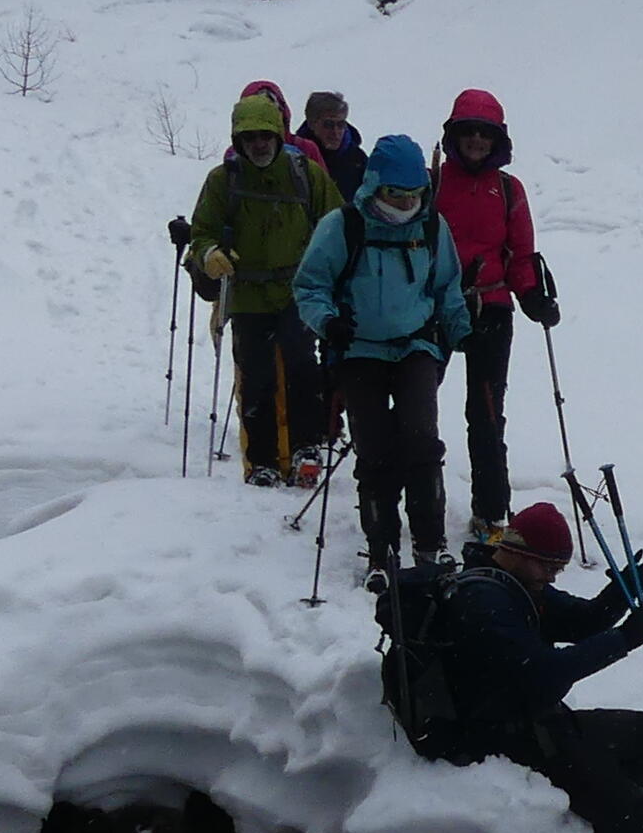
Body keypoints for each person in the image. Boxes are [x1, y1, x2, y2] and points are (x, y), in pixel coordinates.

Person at [444, 503, 643, 833]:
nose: (553, 576)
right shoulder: (485, 602)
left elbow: (580, 622)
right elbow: (546, 676)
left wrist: (618, 594)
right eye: (548, 566)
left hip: (535, 723)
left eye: (558, 569)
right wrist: (624, 638)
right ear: (516, 551)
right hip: (504, 743)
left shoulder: (515, 584)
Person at [295, 133, 470, 571]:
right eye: (396, 193)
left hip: (416, 346)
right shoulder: (343, 226)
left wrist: (462, 330)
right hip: (359, 349)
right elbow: (311, 285)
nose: (406, 203)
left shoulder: (431, 226)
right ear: (375, 185)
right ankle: (382, 548)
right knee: (374, 450)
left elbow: (447, 286)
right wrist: (328, 321)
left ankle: (429, 543)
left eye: (414, 193)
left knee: (422, 442)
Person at [181, 90, 338, 485]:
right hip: (247, 293)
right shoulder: (223, 180)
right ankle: (262, 460)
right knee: (256, 376)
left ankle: (306, 447)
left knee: (302, 367)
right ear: (238, 140)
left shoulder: (305, 174)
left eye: (265, 136)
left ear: (278, 135)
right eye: (249, 138)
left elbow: (337, 224)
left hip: (297, 290)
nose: (259, 144)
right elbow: (202, 232)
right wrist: (209, 253)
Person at [433, 89, 552, 532]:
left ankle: (491, 510)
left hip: (491, 308)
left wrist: (532, 295)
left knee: (485, 415)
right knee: (416, 408)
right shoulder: (432, 182)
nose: (477, 140)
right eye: (469, 131)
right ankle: (420, 502)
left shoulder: (507, 189)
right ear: (455, 134)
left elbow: (521, 253)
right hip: (438, 306)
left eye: (485, 133)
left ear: (498, 139)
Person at [301, 89, 368, 197]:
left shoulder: (358, 160)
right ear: (312, 124)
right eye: (328, 124)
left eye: (341, 124)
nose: (335, 132)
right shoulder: (297, 155)